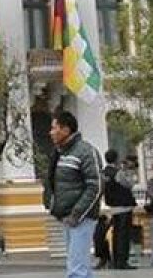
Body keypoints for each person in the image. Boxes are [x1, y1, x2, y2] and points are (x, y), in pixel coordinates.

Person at [45, 110, 103, 278]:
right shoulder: (61, 153)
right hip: (68, 216)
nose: (51, 132)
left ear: (65, 129)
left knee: (76, 269)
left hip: (81, 217)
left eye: (54, 128)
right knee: (80, 267)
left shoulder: (85, 152)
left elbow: (96, 186)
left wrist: (77, 214)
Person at [101, 149, 137, 269]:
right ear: (116, 159)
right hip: (123, 206)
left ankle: (115, 260)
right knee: (124, 235)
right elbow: (128, 184)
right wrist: (130, 172)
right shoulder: (117, 172)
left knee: (116, 235)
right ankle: (122, 261)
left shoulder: (104, 173)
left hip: (112, 206)